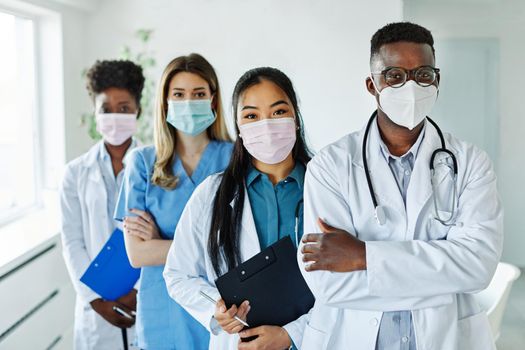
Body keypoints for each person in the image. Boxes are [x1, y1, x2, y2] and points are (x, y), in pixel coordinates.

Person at [298, 22, 503, 350]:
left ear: (437, 81)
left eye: (423, 74)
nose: (411, 86)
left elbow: (477, 268)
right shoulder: (331, 166)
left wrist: (363, 256)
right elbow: (329, 284)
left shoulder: (470, 163)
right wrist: (442, 278)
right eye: (394, 75)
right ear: (371, 84)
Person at [163, 67, 313, 350]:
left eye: (279, 112)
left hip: (315, 339)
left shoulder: (326, 187)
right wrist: (216, 310)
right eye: (252, 116)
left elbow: (348, 282)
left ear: (296, 118)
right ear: (239, 127)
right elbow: (177, 274)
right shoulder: (213, 194)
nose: (266, 125)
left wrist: (292, 334)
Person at [114, 53, 233, 349]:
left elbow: (239, 247)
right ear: (165, 102)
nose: (188, 102)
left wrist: (161, 244)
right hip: (161, 314)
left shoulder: (236, 158)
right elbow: (137, 255)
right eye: (178, 94)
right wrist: (208, 248)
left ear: (213, 100)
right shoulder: (143, 163)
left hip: (221, 310)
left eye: (198, 94)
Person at [60, 59, 144, 350]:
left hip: (143, 298)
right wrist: (95, 300)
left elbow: (163, 235)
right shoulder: (75, 173)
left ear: (138, 111)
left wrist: (135, 291)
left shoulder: (157, 167)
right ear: (94, 113)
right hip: (95, 309)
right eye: (105, 109)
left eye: (123, 109)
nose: (114, 116)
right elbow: (72, 241)